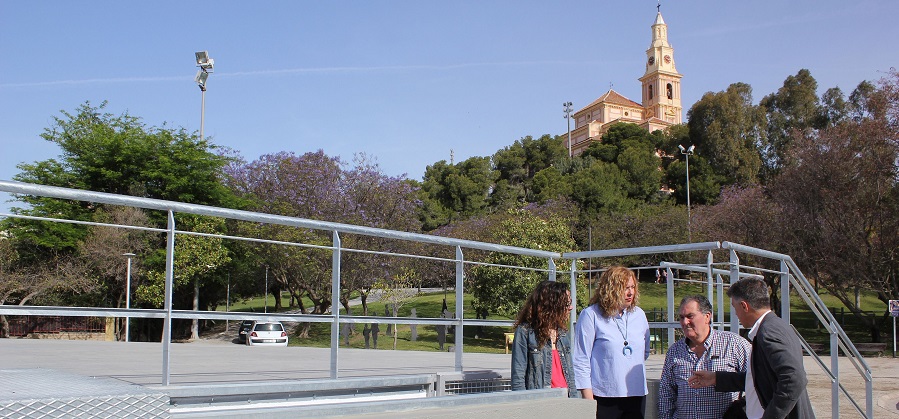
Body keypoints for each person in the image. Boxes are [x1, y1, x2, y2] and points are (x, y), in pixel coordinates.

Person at [689, 278, 815, 419]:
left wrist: (772, 415)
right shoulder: (776, 326)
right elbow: (759, 380)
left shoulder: (768, 332)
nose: (735, 314)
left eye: (734, 307)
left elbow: (794, 379)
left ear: (744, 306)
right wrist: (716, 378)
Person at [574, 266, 651, 419]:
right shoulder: (591, 315)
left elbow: (645, 352)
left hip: (636, 394)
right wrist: (589, 401)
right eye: (624, 288)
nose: (630, 293)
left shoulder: (639, 315)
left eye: (632, 287)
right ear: (610, 289)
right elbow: (581, 359)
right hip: (604, 397)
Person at [659, 295, 751, 419]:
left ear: (707, 316)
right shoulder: (675, 351)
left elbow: (757, 380)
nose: (685, 322)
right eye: (681, 317)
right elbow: (666, 393)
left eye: (690, 316)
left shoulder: (734, 344)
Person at [510, 280, 577, 397]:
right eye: (566, 303)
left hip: (567, 401)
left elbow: (570, 375)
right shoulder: (525, 332)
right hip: (541, 402)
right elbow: (518, 377)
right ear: (552, 305)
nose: (571, 307)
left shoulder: (563, 333)